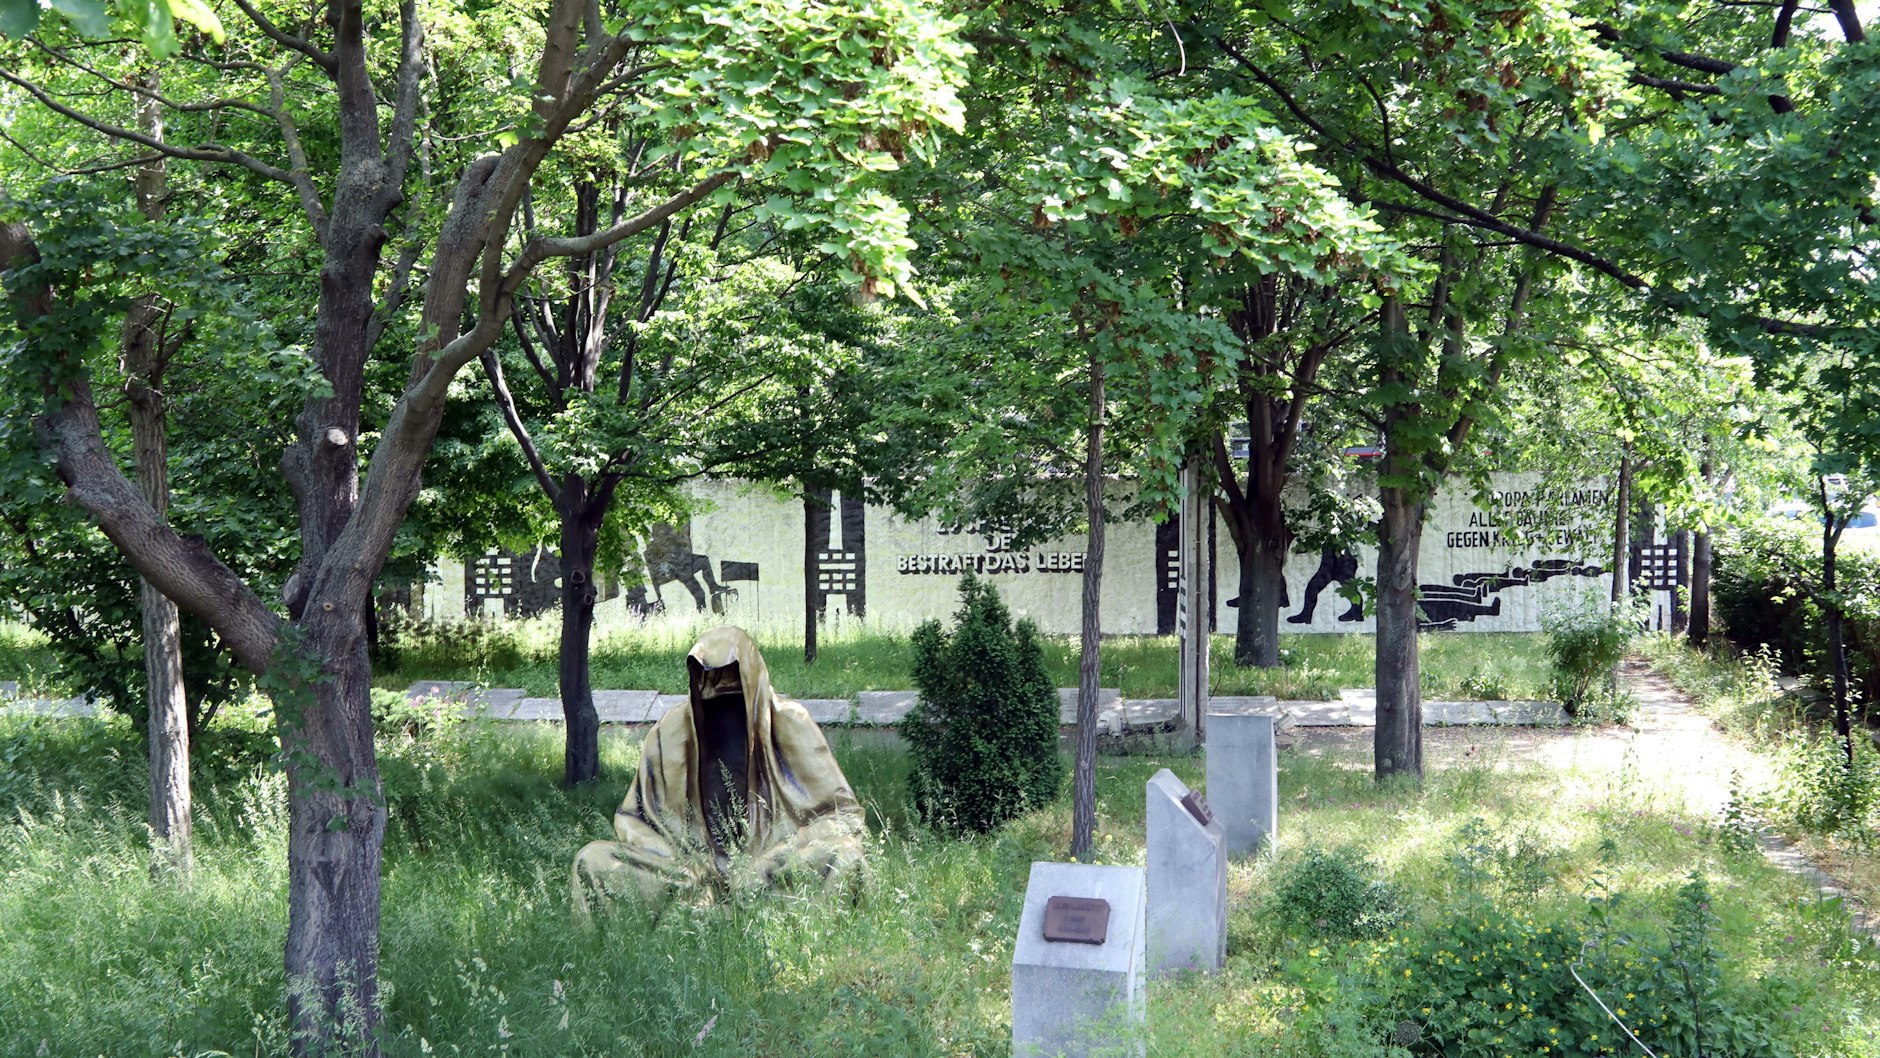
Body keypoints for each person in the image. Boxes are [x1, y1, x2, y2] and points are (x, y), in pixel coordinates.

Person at [572, 626, 866, 911]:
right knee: (592, 860)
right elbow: (631, 819)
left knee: (847, 856)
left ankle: (800, 936)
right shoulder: (670, 731)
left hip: (768, 876)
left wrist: (769, 864)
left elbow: (845, 817)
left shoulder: (790, 722)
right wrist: (680, 865)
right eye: (711, 703)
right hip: (691, 878)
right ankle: (698, 910)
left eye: (737, 700)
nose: (724, 716)